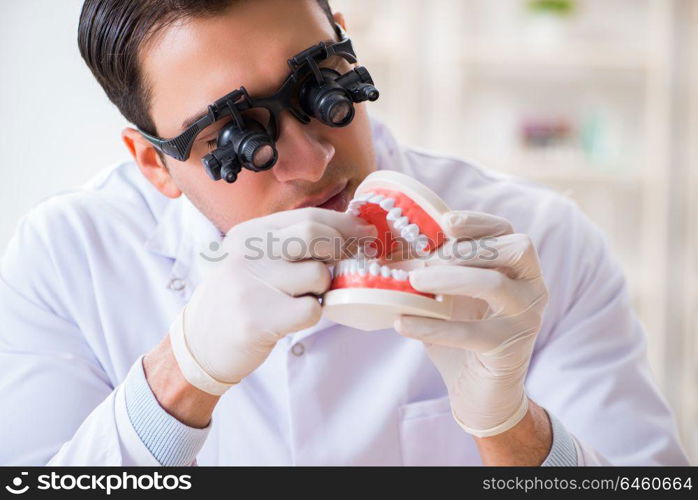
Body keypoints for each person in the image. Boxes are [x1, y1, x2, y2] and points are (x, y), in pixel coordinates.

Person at [0, 0, 688, 466]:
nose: (313, 159)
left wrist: (510, 426)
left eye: (320, 88)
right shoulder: (68, 259)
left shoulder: (540, 241)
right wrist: (182, 376)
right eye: (237, 140)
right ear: (155, 163)